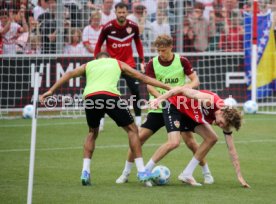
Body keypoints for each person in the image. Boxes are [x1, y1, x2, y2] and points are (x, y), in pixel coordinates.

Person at [39, 52, 170, 186]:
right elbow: (142, 77)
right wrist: (168, 88)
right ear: (109, 58)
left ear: (97, 59)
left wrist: (51, 90)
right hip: (110, 96)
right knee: (132, 130)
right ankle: (142, 170)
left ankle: (85, 171)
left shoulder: (89, 65)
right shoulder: (117, 62)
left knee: (92, 132)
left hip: (91, 98)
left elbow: (68, 74)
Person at [116, 35, 214, 186]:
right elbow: (149, 85)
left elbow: (195, 80)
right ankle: (125, 173)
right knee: (138, 139)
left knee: (190, 142)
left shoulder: (182, 61)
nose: (161, 53)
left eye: (163, 50)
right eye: (159, 50)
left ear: (171, 47)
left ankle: (206, 173)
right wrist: (163, 98)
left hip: (179, 107)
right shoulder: (152, 63)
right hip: (158, 108)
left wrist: (186, 88)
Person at [150, 86, 250, 187]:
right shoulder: (209, 101)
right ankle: (145, 171)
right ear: (221, 112)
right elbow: (181, 90)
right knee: (174, 142)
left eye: (223, 125)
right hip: (175, 106)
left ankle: (187, 174)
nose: (220, 126)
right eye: (221, 123)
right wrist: (158, 100)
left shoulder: (225, 122)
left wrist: (239, 176)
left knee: (211, 138)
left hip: (189, 115)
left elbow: (232, 150)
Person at [94, 2, 145, 129]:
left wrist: (142, 60)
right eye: (119, 12)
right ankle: (100, 121)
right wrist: (97, 60)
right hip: (112, 65)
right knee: (104, 93)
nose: (121, 14)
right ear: (115, 12)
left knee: (135, 91)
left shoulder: (133, 26)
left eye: (123, 12)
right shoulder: (107, 27)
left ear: (127, 12)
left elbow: (138, 43)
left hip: (128, 64)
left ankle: (138, 119)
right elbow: (98, 44)